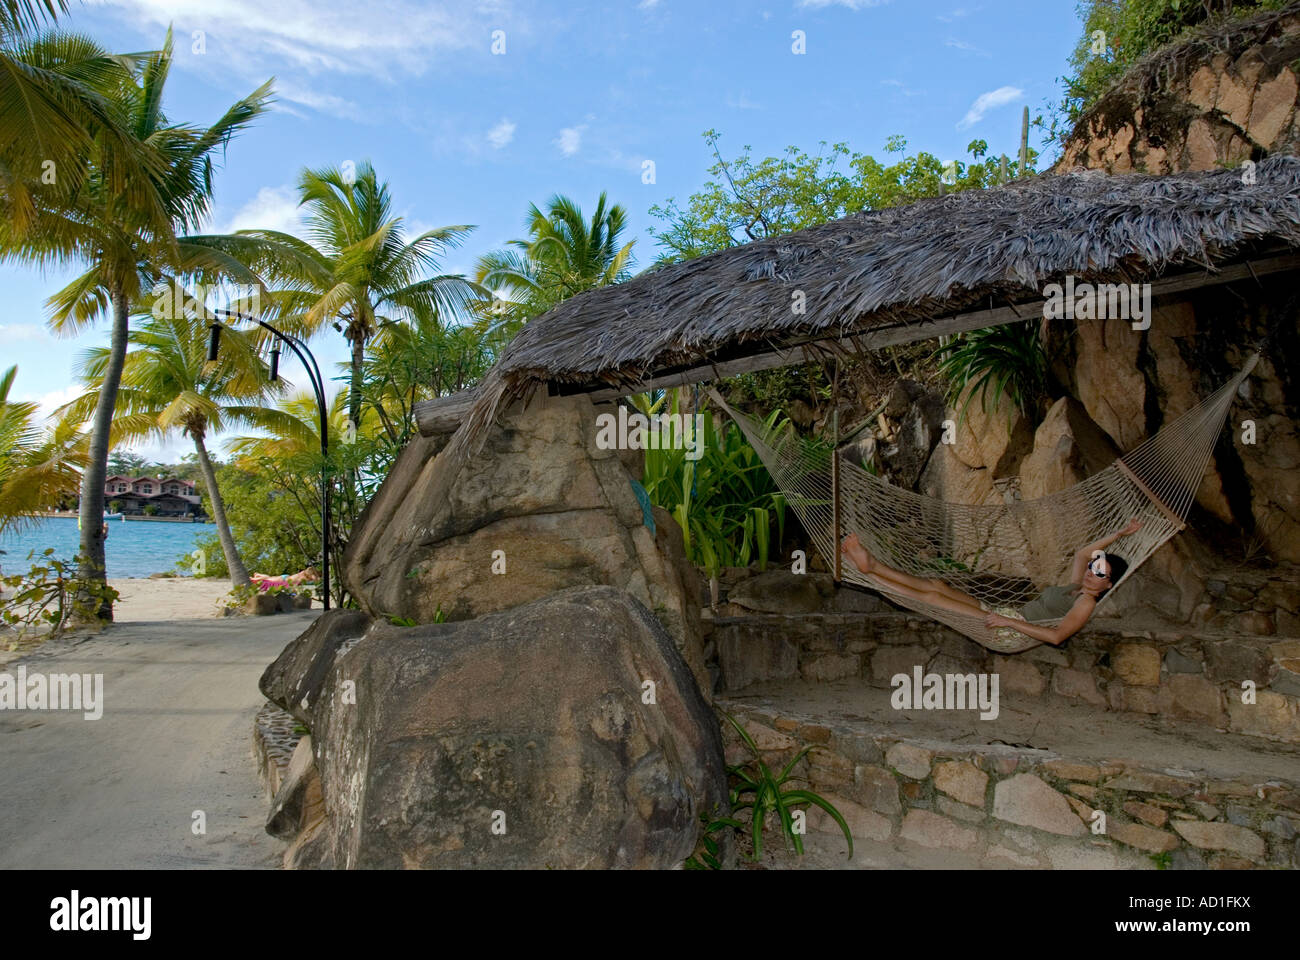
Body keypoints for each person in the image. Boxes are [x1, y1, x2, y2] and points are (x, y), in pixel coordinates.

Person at [840, 518, 1142, 647]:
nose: (1092, 572)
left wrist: (1010, 624)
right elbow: (1082, 553)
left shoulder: (1085, 603)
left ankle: (870, 575)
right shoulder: (1076, 587)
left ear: (1109, 584)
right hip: (1006, 613)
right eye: (1094, 567)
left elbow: (1056, 637)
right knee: (938, 585)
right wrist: (1120, 535)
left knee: (934, 600)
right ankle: (873, 566)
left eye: (1100, 573)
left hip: (1010, 632)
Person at [249, 565, 320, 591]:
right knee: (268, 579)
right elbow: (316, 579)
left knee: (270, 577)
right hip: (284, 580)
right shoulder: (303, 577)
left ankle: (258, 575)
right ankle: (255, 578)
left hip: (286, 578)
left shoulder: (302, 573)